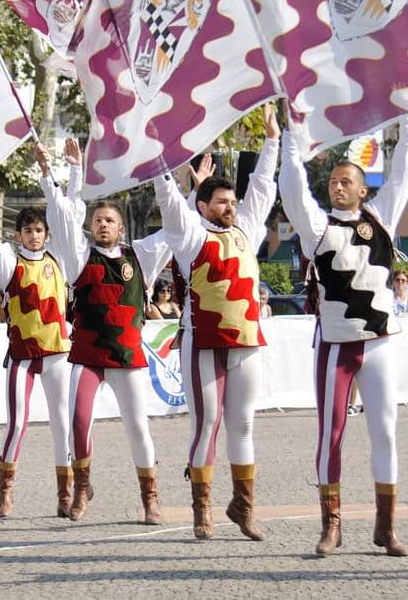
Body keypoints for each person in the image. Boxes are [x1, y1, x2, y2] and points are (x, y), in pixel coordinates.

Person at [280, 113, 408, 556]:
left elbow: (406, 171)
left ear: (363, 189)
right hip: (335, 344)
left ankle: (385, 526)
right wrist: (286, 139)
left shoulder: (381, 218)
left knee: (385, 431)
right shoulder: (317, 227)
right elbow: (293, 190)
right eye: (334, 181)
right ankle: (331, 525)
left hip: (378, 341)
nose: (337, 186)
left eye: (347, 181)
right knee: (332, 433)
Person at [153, 104, 279, 542]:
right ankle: (201, 510)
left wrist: (272, 141)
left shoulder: (247, 229)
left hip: (246, 340)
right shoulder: (190, 236)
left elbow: (262, 187)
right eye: (221, 200)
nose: (231, 205)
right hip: (203, 341)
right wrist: (159, 162)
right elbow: (170, 202)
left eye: (232, 200)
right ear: (203, 205)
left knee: (243, 424)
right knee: (207, 424)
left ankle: (243, 507)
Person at [40, 139, 170, 526]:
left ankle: (150, 498)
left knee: (137, 428)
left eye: (109, 220)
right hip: (88, 355)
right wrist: (60, 174)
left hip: (128, 356)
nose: (102, 225)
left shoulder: (141, 255)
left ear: (120, 226)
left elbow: (178, 226)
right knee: (78, 421)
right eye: (97, 220)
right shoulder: (79, 256)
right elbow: (62, 215)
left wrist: (175, 175)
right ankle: (83, 488)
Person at [0, 205, 75, 519]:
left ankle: (65, 494)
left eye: (39, 230)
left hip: (57, 353)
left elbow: (69, 218)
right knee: (17, 425)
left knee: (63, 424)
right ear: (18, 235)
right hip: (22, 356)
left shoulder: (59, 260)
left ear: (47, 234)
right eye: (28, 231)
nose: (34, 236)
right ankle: (5, 491)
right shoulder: (11, 262)